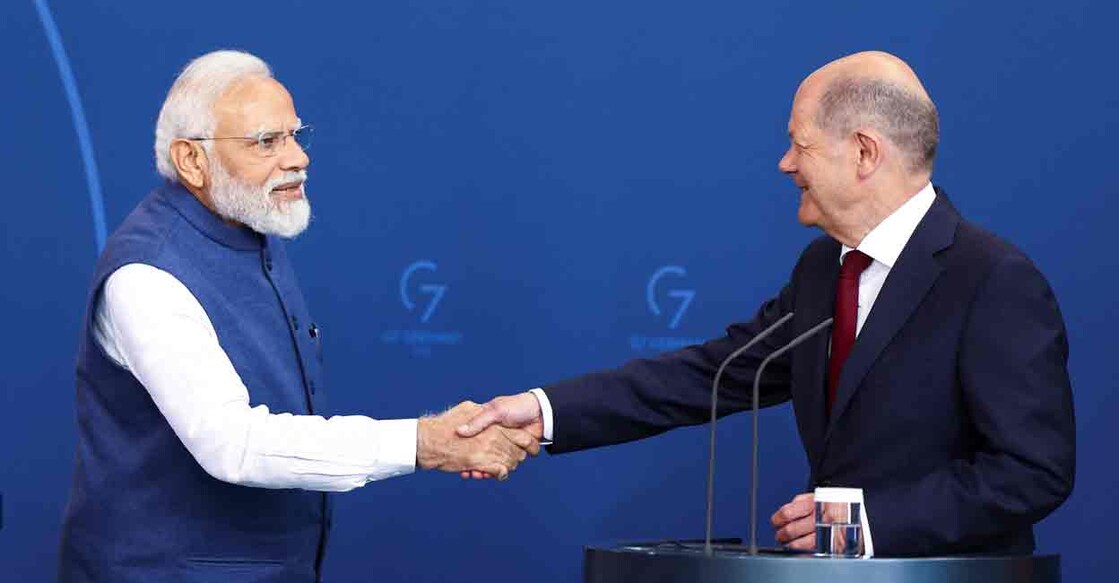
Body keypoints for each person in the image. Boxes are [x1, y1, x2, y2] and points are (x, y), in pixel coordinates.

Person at [457, 51, 1075, 556]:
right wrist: (544, 413)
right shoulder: (821, 268)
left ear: (864, 152)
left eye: (798, 145)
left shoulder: (991, 279)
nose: (784, 165)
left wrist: (871, 522)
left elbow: (1033, 471)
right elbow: (714, 374)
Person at [58, 50, 537, 582]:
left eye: (294, 135)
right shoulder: (148, 276)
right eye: (266, 142)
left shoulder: (249, 222)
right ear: (192, 160)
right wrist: (422, 442)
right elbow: (232, 445)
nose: (297, 158)